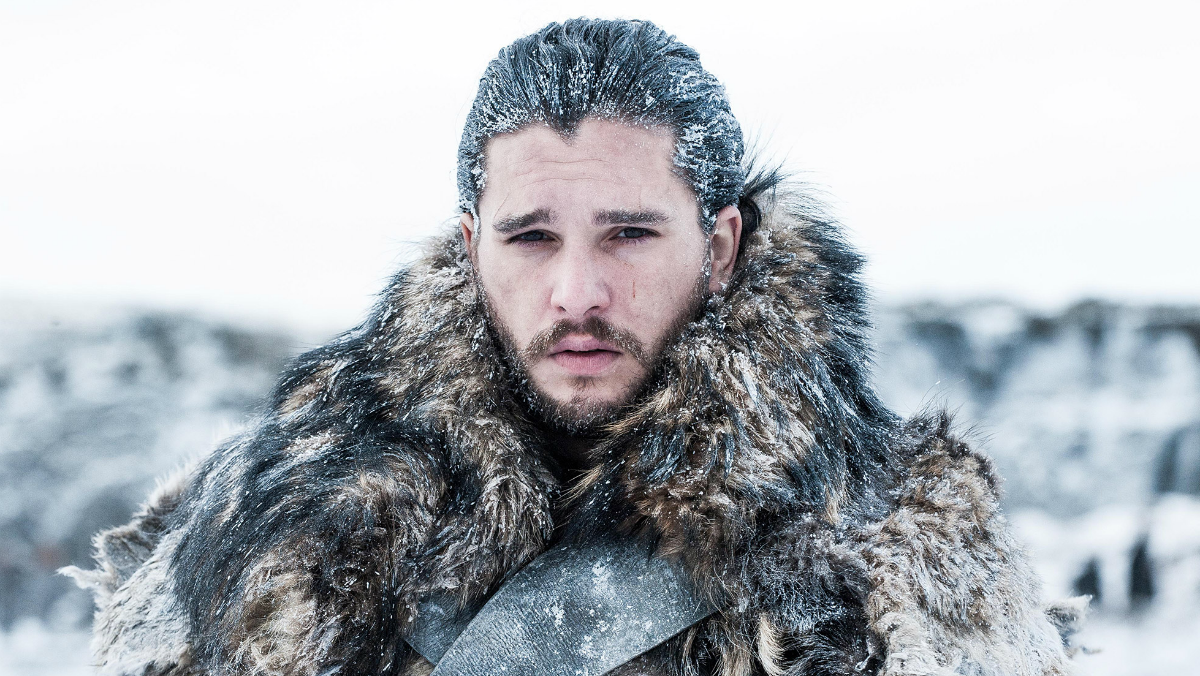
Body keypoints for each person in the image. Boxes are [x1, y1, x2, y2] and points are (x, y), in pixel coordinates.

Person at [65, 18, 1083, 676]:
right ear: (472, 249)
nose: (578, 292)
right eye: (531, 238)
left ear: (720, 246)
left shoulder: (906, 551)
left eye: (629, 234)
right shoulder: (271, 525)